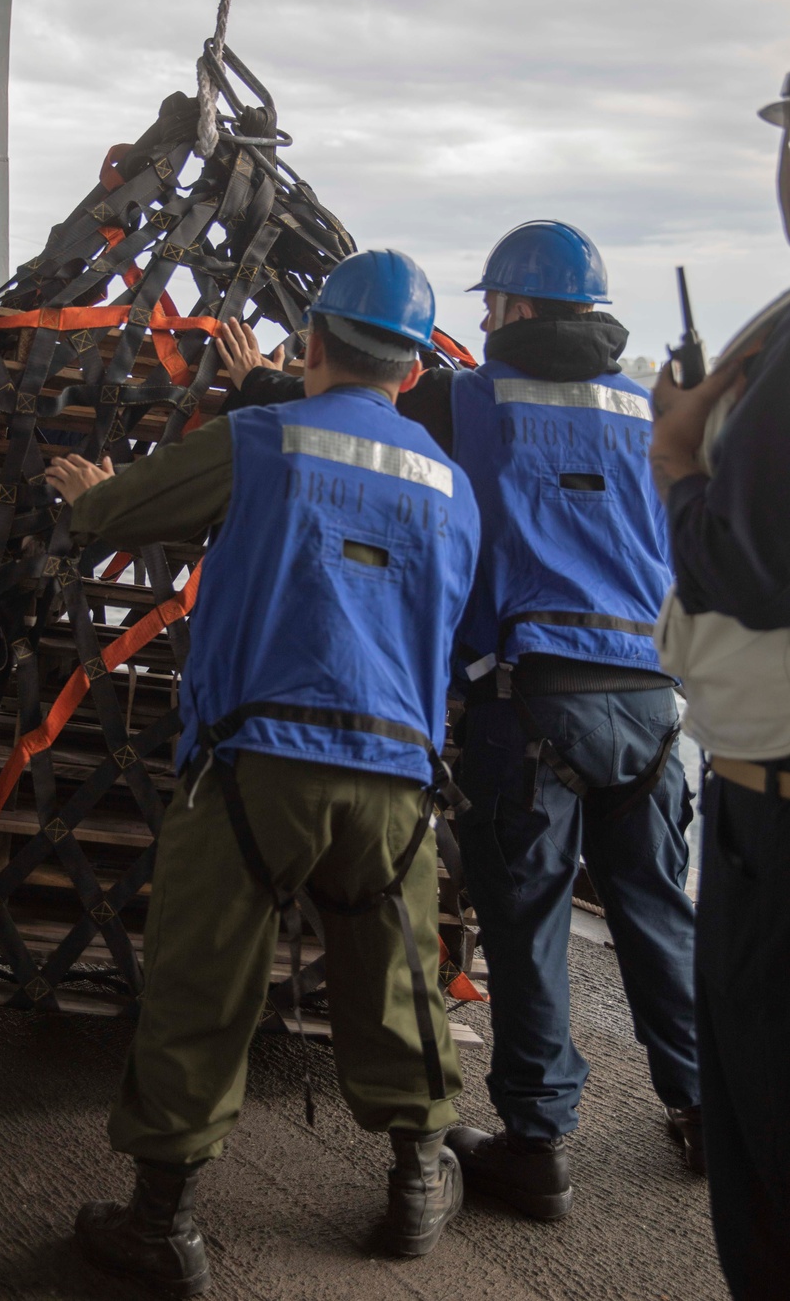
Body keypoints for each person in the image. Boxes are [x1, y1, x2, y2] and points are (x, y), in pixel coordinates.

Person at [225, 222, 703, 1220]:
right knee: (657, 916)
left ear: (521, 307)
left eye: (492, 304)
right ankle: (706, 1111)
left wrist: (259, 383)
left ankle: (536, 1150)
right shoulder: (652, 406)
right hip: (655, 711)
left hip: (530, 710)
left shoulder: (473, 399)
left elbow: (357, 416)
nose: (483, 320)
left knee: (527, 932)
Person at [45, 251, 481, 1297]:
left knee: (203, 983)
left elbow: (113, 519)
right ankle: (418, 1181)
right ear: (413, 373)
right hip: (391, 781)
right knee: (397, 983)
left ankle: (164, 1225)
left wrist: (94, 492)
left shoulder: (259, 440)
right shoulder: (449, 485)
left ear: (315, 344)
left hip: (252, 769)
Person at [652, 295, 790, 1300]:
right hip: (686, 753)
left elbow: (748, 562)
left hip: (773, 811)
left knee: (767, 1165)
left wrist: (677, 460)